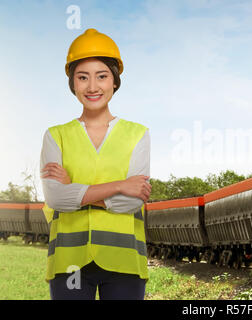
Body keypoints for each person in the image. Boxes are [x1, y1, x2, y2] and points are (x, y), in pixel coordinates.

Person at [40, 28, 151, 300]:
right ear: (72, 83)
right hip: (70, 262)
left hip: (124, 261)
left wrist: (77, 191)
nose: (92, 87)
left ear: (115, 81)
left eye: (102, 76)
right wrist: (119, 185)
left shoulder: (138, 134)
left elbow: (133, 202)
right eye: (82, 77)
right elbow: (56, 198)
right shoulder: (56, 136)